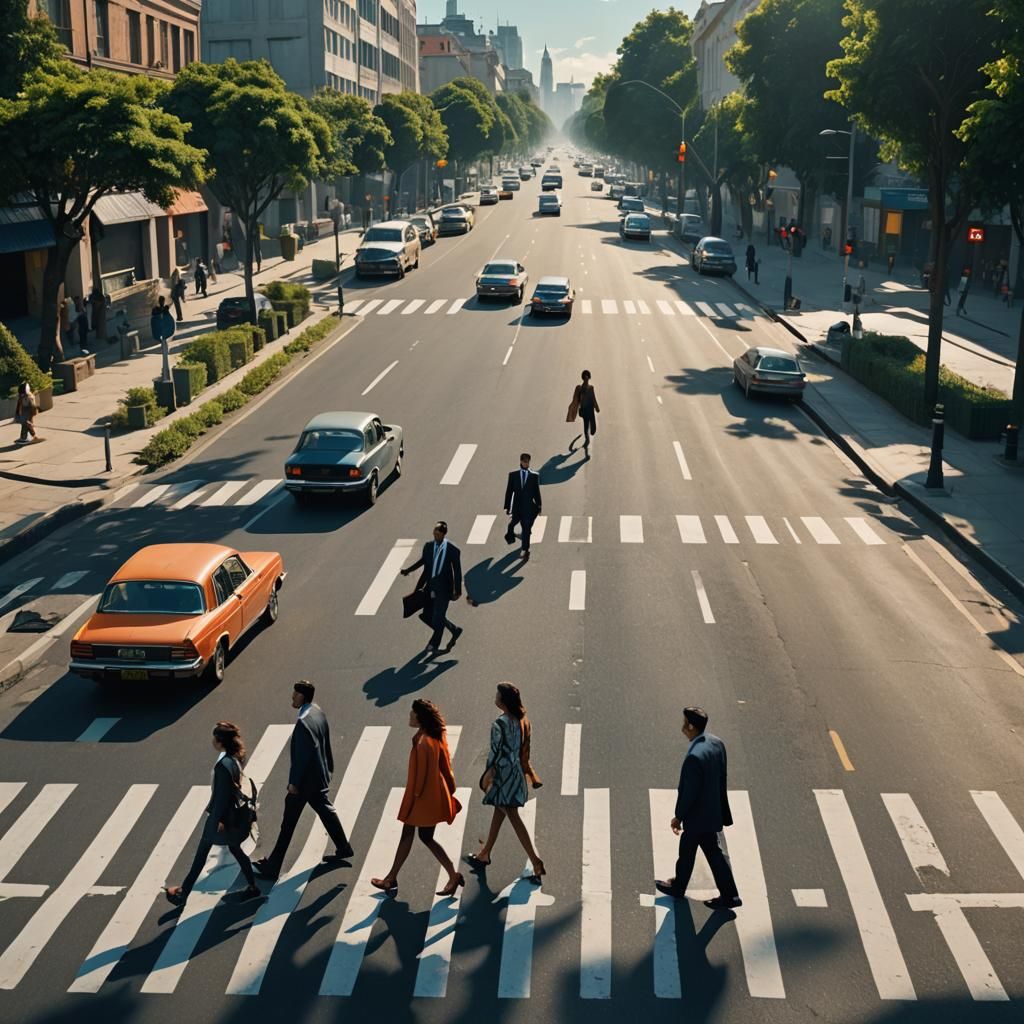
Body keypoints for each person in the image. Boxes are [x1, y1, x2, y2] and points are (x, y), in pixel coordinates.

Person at [254, 682, 354, 880]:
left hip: (305, 782)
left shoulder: (303, 723)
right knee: (324, 809)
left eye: (296, 695)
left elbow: (301, 759)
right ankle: (343, 847)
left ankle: (272, 867)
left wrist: (294, 783)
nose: (292, 697)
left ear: (303, 697)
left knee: (288, 823)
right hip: (318, 776)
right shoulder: (316, 712)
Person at [370, 699, 464, 896]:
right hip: (434, 795)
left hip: (423, 798)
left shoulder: (423, 743)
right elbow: (445, 766)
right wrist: (450, 790)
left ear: (420, 718)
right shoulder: (433, 736)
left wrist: (412, 800)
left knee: (411, 834)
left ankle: (391, 879)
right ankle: (451, 874)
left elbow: (420, 780)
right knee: (425, 837)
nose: (409, 717)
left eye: (412, 714)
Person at [165, 721, 260, 906]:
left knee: (202, 853)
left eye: (214, 737)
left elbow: (221, 798)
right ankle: (253, 887)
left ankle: (183, 894)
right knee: (235, 849)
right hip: (235, 818)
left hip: (224, 820)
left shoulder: (223, 765)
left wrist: (216, 820)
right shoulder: (234, 758)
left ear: (219, 741)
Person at [655, 707, 741, 910]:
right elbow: (721, 779)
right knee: (706, 852)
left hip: (697, 817)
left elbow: (689, 793)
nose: (682, 727)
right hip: (711, 812)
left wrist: (678, 817)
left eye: (684, 723)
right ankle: (726, 894)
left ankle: (682, 887)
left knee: (694, 851)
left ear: (691, 726)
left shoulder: (694, 757)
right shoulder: (716, 743)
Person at [467, 682, 545, 883]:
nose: (495, 697)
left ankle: (536, 862)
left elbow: (495, 752)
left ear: (503, 700)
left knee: (511, 814)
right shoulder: (522, 720)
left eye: (497, 695)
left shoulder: (499, 724)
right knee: (500, 810)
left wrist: (489, 775)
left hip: (503, 774)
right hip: (516, 772)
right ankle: (485, 853)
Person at [401, 521, 463, 656]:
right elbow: (424, 563)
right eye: (434, 533)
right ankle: (454, 629)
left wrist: (457, 591)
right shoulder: (428, 547)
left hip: (444, 589)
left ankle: (433, 645)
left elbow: (457, 571)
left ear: (444, 533)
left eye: (438, 533)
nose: (435, 536)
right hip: (430, 587)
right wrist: (409, 571)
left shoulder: (452, 550)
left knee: (438, 617)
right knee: (427, 615)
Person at [504, 452, 542, 561]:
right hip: (516, 508)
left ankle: (525, 550)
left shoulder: (534, 476)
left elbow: (536, 492)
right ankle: (511, 536)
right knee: (512, 525)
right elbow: (509, 491)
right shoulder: (513, 475)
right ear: (520, 461)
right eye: (524, 461)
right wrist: (507, 507)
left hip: (528, 508)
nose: (526, 463)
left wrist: (539, 506)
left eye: (528, 462)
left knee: (525, 528)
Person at [570, 370, 600, 451]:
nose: (586, 379)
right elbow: (576, 400)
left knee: (593, 428)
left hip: (590, 409)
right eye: (585, 377)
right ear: (583, 378)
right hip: (584, 410)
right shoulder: (580, 389)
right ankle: (587, 439)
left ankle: (589, 436)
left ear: (589, 378)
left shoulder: (591, 388)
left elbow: (594, 398)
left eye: (587, 377)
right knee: (586, 426)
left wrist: (597, 407)